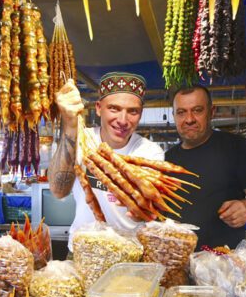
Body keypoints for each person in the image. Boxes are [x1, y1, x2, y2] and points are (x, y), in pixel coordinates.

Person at [48, 72, 164, 251]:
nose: (123, 120)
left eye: (132, 111)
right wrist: (70, 126)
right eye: (114, 109)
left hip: (130, 253)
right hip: (84, 251)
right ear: (99, 108)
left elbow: (146, 211)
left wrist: (140, 210)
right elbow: (58, 190)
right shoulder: (80, 139)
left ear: (140, 114)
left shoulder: (150, 152)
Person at [165, 86, 246, 249]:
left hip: (223, 263)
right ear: (174, 116)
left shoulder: (236, 147)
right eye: (181, 112)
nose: (189, 119)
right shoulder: (166, 159)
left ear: (211, 112)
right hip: (177, 262)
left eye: (197, 110)